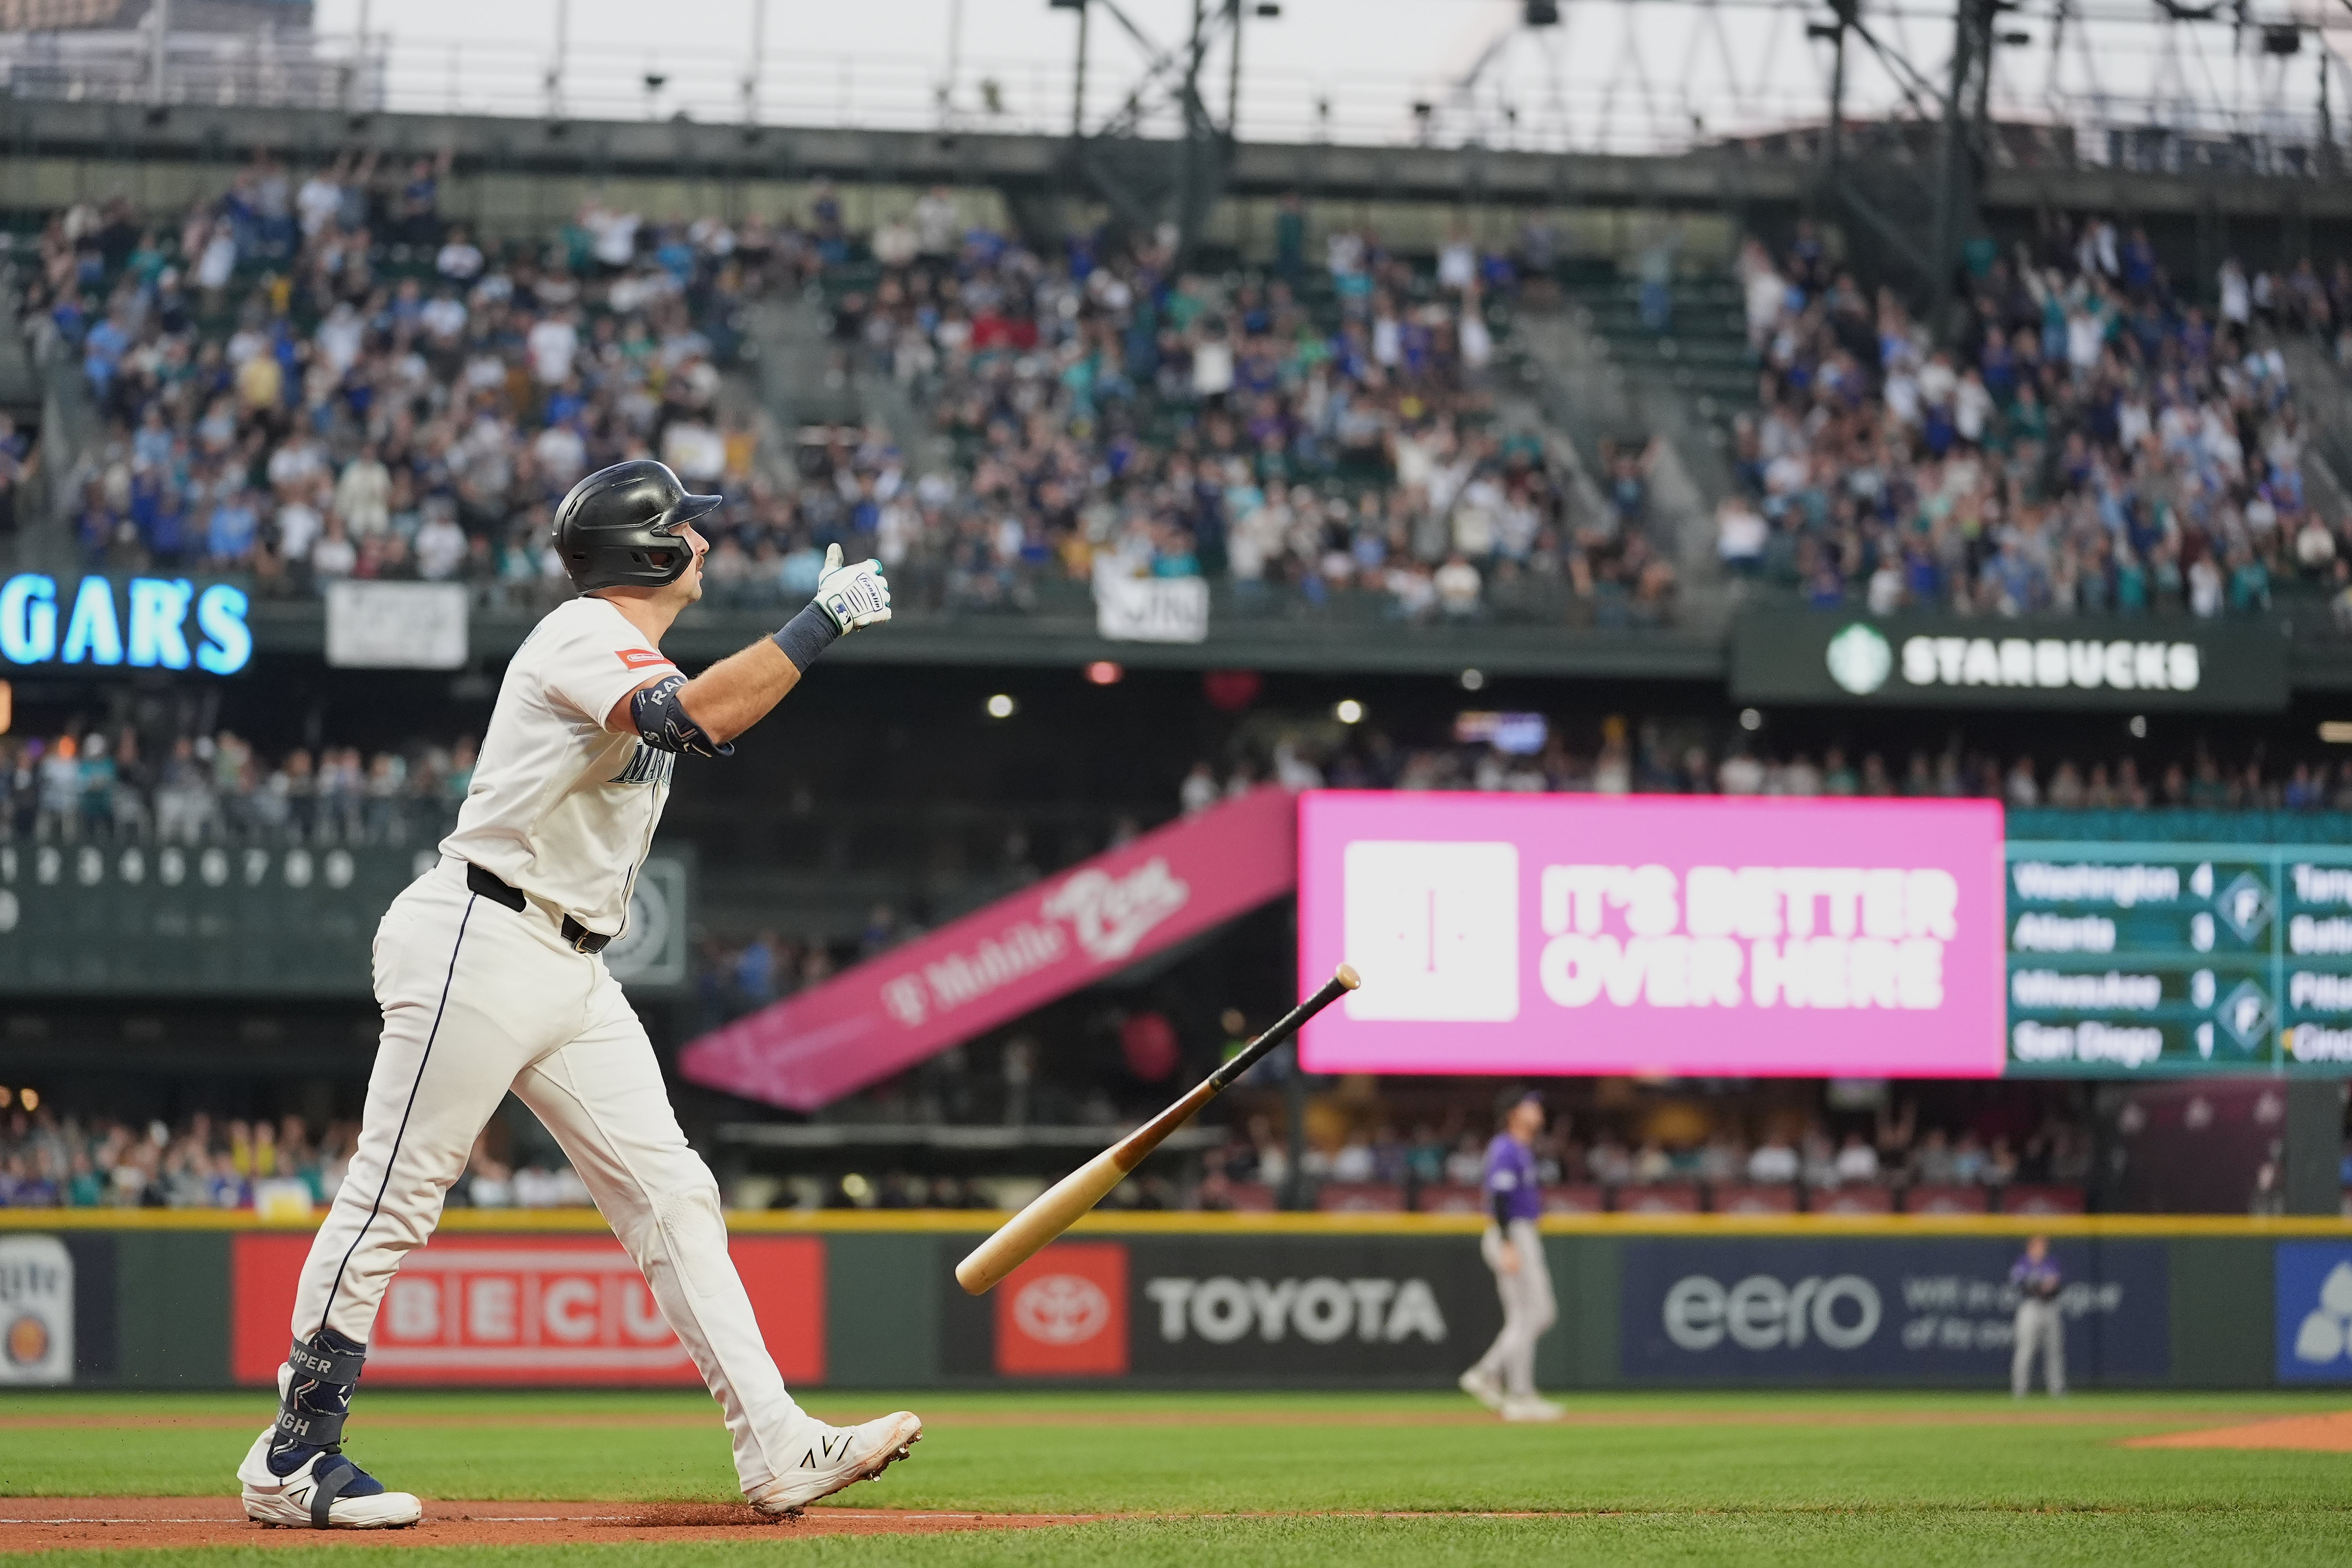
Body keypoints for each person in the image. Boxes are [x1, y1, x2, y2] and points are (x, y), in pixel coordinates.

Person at [235, 460, 917, 1529]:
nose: (703, 540)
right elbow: (692, 718)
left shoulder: (622, 642)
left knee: (673, 1193)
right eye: (686, 529)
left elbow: (698, 704)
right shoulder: (579, 634)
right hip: (481, 932)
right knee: (398, 1194)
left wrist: (806, 631)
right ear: (647, 549)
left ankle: (777, 1441)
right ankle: (294, 1455)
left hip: (567, 964)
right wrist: (818, 622)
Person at [1458, 1090, 1561, 1422]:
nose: (1538, 1112)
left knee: (1530, 1317)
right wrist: (1506, 1242)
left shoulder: (1520, 1148)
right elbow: (1499, 1197)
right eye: (1531, 1107)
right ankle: (1506, 1387)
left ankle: (1512, 1388)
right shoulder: (1505, 1147)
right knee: (1533, 1314)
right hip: (1511, 1233)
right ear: (1513, 1113)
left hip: (1519, 1232)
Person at [2010, 1234, 2065, 1398]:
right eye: (2038, 1246)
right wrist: (2041, 1287)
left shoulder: (2052, 1263)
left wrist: (2044, 1287)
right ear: (2031, 1248)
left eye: (2044, 1247)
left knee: (2054, 1350)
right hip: (2030, 1308)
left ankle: (2057, 1390)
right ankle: (2020, 1390)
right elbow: (2020, 1286)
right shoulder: (2023, 1264)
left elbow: (2059, 1286)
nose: (2042, 1249)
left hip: (2050, 1307)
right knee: (2025, 1350)